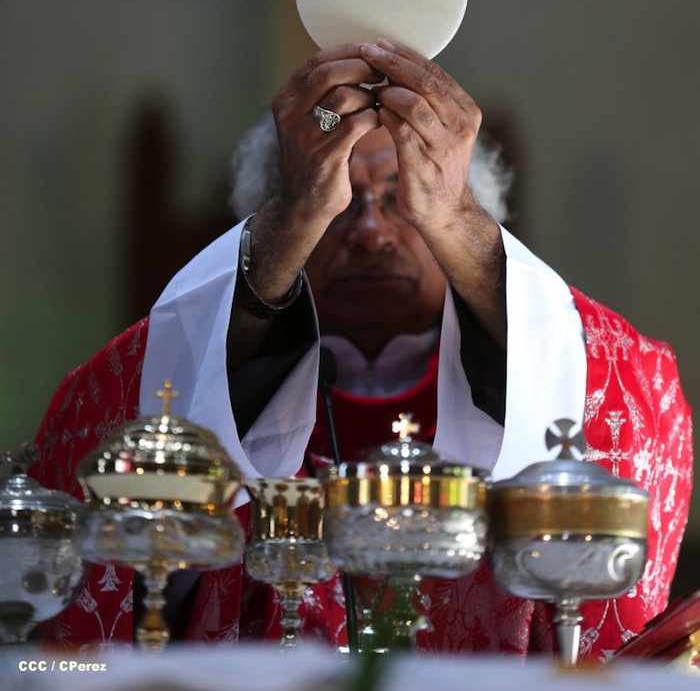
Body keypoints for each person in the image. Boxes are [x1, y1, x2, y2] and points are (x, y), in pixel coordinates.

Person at [31, 40, 692, 660]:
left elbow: (638, 399)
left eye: (404, 200)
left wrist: (456, 217)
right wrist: (295, 209)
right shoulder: (202, 359)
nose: (371, 232)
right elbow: (102, 419)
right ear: (277, 223)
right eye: (339, 203)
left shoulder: (549, 373)